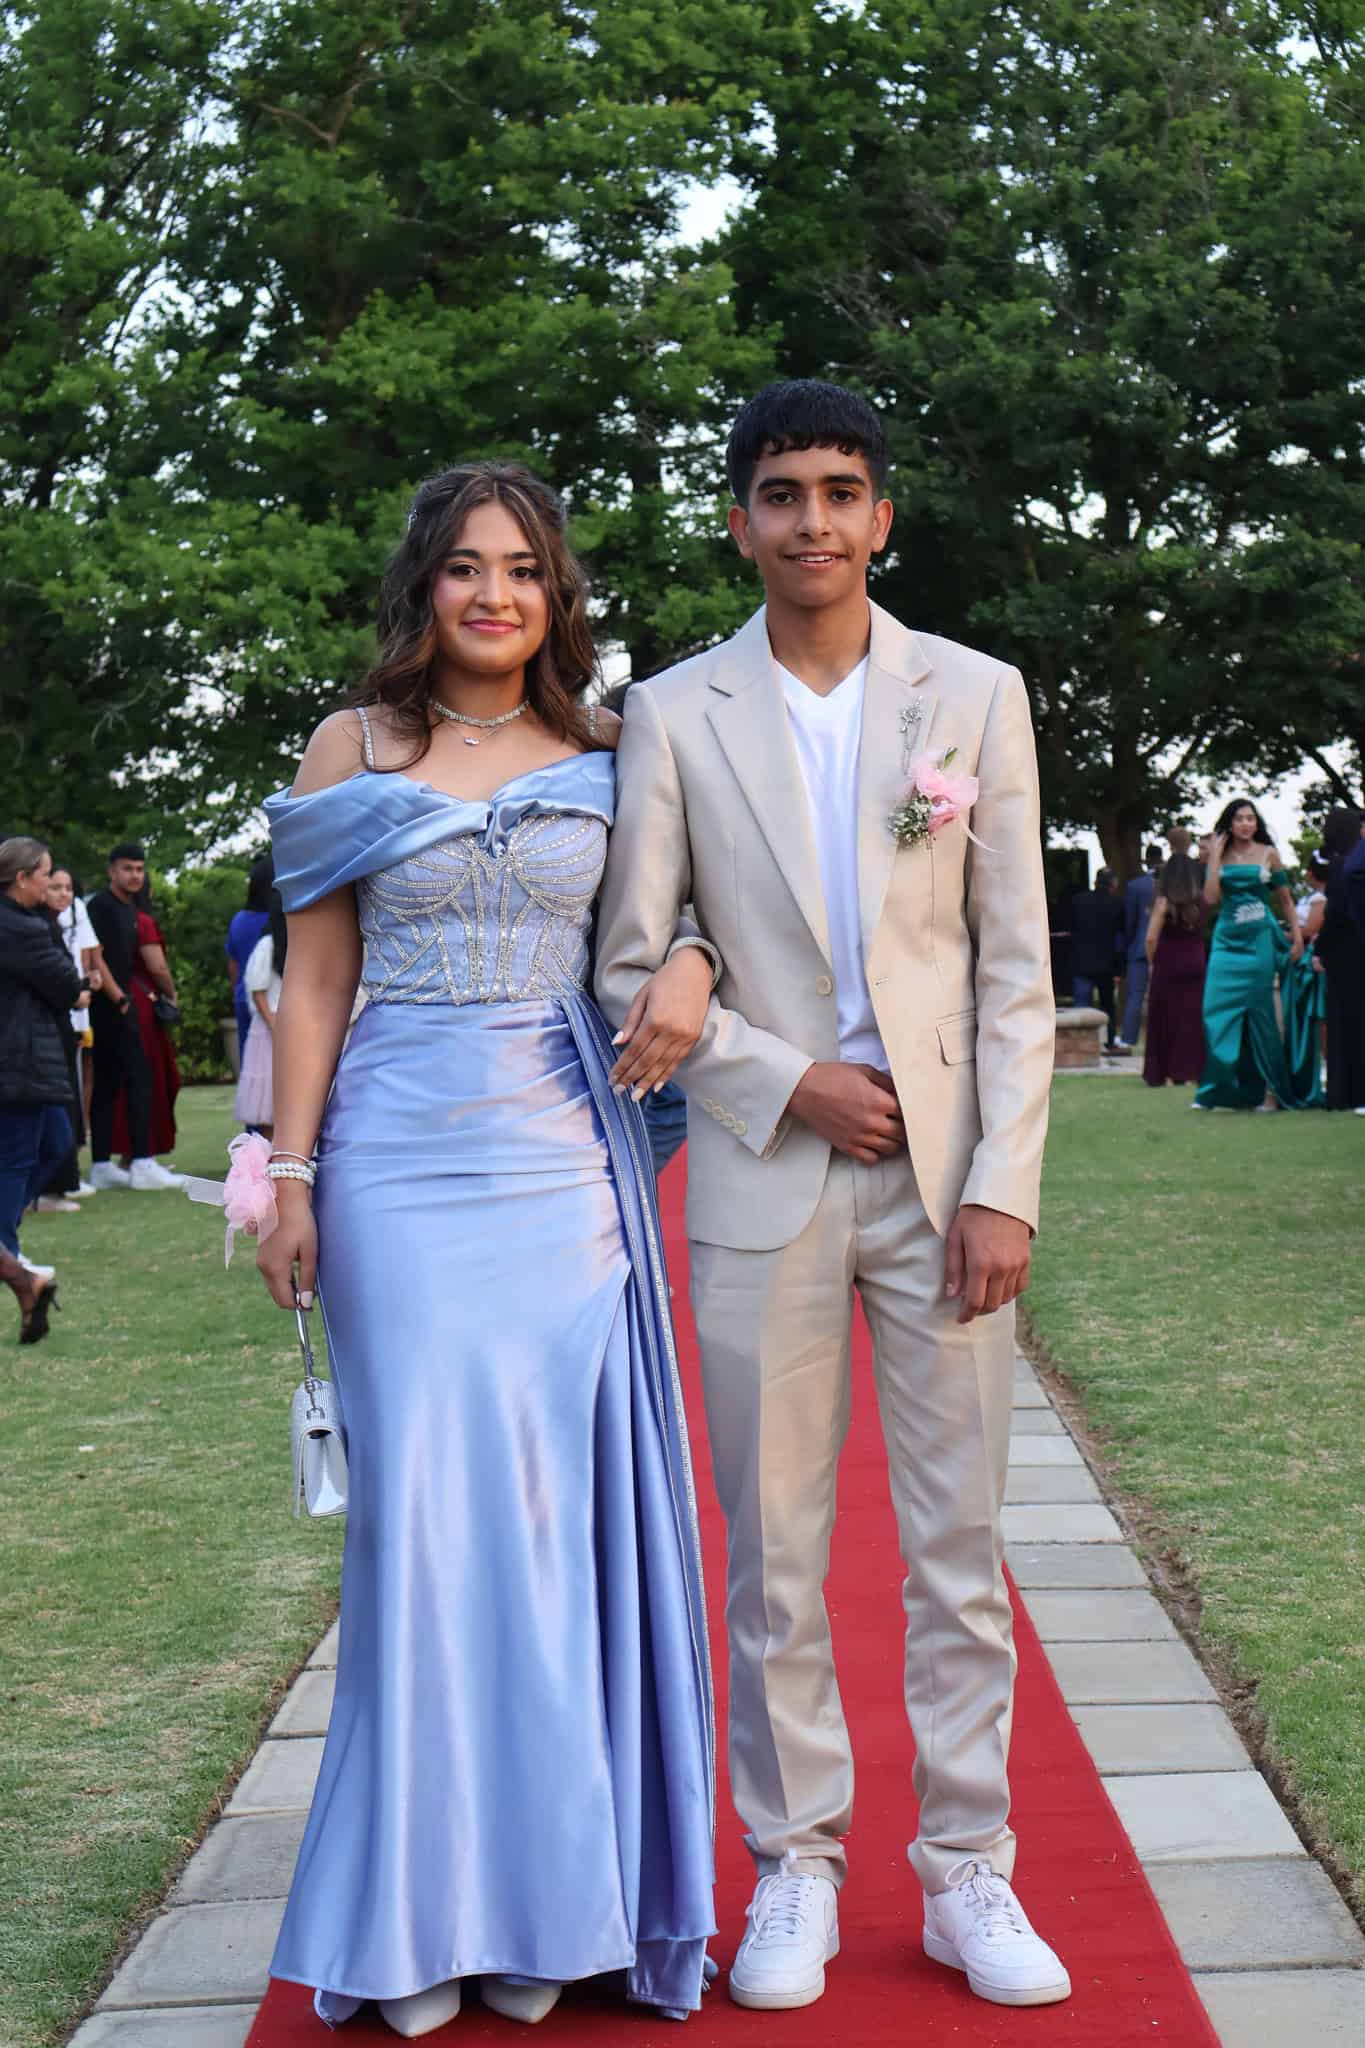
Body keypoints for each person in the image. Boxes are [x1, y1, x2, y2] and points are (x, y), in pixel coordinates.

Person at [597, 379, 1069, 2012]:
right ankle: (792, 1860)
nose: (813, 519)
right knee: (774, 1552)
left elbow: (1014, 967)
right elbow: (628, 966)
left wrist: (1003, 1184)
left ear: (882, 517)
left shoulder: (975, 696)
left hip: (944, 1191)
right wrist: (781, 1076)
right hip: (762, 1174)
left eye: (840, 491)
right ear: (740, 519)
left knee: (959, 1547)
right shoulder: (672, 712)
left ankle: (968, 1866)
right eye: (782, 492)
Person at [253, 461, 717, 2036]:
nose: (494, 594)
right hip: (394, 1159)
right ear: (425, 586)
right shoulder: (352, 745)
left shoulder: (615, 745)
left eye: (521, 568)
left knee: (544, 1526)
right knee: (424, 1532)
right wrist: (292, 1175)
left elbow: (690, 914)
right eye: (465, 567)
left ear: (554, 591)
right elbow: (315, 980)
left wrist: (698, 960)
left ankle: (548, 1907)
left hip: (562, 1169)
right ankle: (419, 1913)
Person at [0, 838, 80, 1296]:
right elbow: (68, 986)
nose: (52, 883)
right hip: (19, 1061)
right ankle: (7, 1252)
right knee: (18, 1158)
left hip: (24, 1060)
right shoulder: (22, 928)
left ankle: (6, 1245)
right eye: (46, 874)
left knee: (56, 1144)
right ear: (22, 878)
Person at [1194, 798, 1304, 1110]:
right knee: (1213, 1012)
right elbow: (1210, 898)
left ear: (1257, 824)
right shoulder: (1219, 855)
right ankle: (1216, 1090)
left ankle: (1270, 1093)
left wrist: (1297, 939)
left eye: (1250, 818)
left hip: (1259, 941)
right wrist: (1215, 857)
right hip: (1226, 943)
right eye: (1240, 818)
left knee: (1261, 1016)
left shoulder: (1269, 854)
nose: (1245, 824)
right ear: (1229, 823)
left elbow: (1285, 900)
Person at [85, 844, 183, 1189]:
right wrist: (119, 998)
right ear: (112, 871)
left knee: (114, 1083)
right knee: (135, 1080)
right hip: (112, 1006)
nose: (135, 876)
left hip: (120, 1004)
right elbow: (94, 956)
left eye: (140, 869)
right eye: (127, 869)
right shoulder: (101, 906)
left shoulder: (130, 908)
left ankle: (102, 1164)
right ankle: (141, 1161)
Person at [40, 865, 99, 1206]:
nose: (63, 894)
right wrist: (76, 993)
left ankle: (62, 1180)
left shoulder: (54, 925)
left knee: (68, 1100)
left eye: (68, 887)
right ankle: (50, 1187)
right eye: (54, 886)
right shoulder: (36, 928)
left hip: (64, 1023)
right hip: (46, 1028)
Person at [109, 904, 182, 1164]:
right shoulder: (142, 922)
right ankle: (142, 1152)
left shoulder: (109, 919)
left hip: (119, 1000)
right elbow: (157, 966)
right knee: (152, 1077)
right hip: (143, 1004)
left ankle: (128, 1153)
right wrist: (172, 994)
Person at [1315, 806, 1365, 1111]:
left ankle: (1343, 1093)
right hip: (1358, 948)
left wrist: (1320, 949)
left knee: (1341, 1021)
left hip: (1343, 953)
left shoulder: (1340, 865)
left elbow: (1334, 911)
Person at [1141, 854, 1207, 1086]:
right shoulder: (1200, 902)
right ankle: (1191, 1071)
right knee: (1192, 1018)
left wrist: (1152, 961)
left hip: (1169, 963)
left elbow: (1151, 938)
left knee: (1165, 1017)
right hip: (1196, 962)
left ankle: (1167, 1072)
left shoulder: (1163, 902)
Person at [233, 891, 286, 1134]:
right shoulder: (267, 945)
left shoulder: (302, 947)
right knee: (267, 1099)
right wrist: (274, 1024)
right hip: (269, 1029)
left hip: (292, 1028)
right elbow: (257, 989)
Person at [1115, 842, 1164, 1050]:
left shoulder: (1135, 886)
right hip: (1164, 947)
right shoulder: (1170, 883)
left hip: (1139, 948)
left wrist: (1129, 945)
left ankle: (1128, 1039)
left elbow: (1131, 921)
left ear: (1146, 860)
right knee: (1165, 997)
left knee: (1135, 996)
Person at [226, 854, 274, 1062]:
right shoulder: (276, 921)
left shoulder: (239, 920)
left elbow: (233, 964)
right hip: (270, 1001)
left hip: (243, 996)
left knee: (249, 1061)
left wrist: (236, 991)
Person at [1069, 867, 1124, 1048]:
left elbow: (1071, 928)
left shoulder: (1078, 901)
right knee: (1107, 1005)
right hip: (1106, 963)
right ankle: (1109, 1040)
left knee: (1081, 1006)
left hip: (1081, 960)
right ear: (1113, 884)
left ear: (1095, 881)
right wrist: (1119, 968)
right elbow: (1120, 938)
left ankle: (1078, 1044)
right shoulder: (1117, 904)